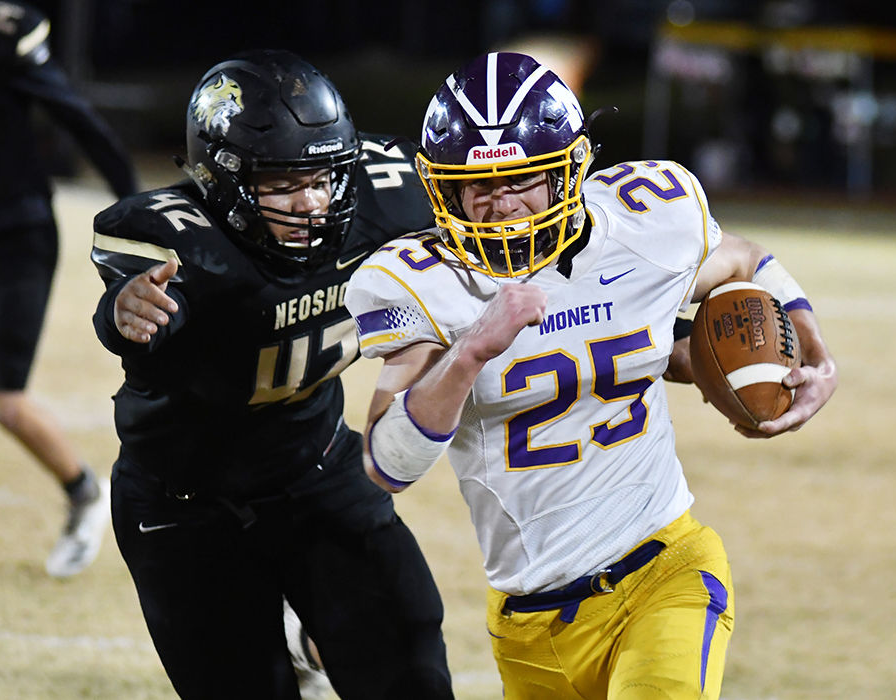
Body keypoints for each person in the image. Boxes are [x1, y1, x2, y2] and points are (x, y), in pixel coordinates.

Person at [345, 51, 839, 699]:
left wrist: (812, 344)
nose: (501, 206)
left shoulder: (643, 222)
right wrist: (470, 353)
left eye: (522, 179)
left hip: (665, 570)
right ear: (442, 188)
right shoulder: (419, 281)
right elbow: (388, 466)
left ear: (569, 172)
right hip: (530, 622)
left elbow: (743, 259)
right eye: (479, 187)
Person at [90, 50, 453, 700]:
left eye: (322, 178)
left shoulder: (390, 194)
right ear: (220, 179)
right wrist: (126, 312)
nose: (312, 202)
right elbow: (129, 310)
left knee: (412, 662)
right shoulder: (181, 238)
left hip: (315, 466)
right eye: (283, 184)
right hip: (185, 505)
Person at [0, 0, 137, 577]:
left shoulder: (1, 32)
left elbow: (74, 115)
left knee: (5, 399)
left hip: (14, 236)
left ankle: (83, 493)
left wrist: (133, 203)